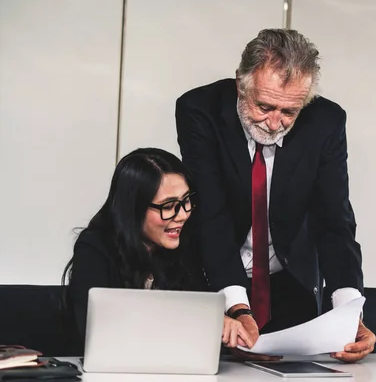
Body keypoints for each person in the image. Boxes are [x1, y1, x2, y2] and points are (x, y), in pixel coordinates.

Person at [175, 29, 376, 363]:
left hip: (287, 282)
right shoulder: (200, 110)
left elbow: (334, 220)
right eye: (264, 106)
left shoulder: (326, 122)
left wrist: (349, 313)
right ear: (241, 84)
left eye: (289, 112)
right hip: (213, 279)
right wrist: (237, 306)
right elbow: (212, 213)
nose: (273, 123)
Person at [61, 148, 252, 353]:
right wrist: (197, 319)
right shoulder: (94, 249)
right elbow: (96, 334)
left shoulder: (183, 244)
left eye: (186, 200)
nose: (182, 215)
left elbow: (196, 309)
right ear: (133, 209)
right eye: (168, 206)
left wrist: (218, 323)